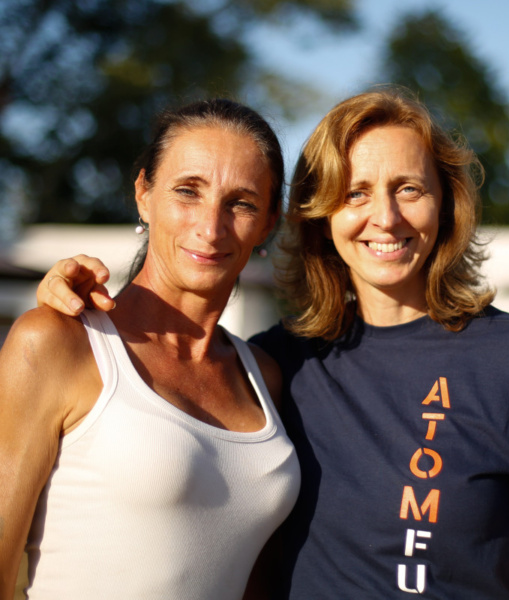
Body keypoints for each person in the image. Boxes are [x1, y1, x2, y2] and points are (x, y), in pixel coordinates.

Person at [35, 88, 509, 599]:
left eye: (409, 188)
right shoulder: (275, 365)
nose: (385, 217)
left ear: (445, 203)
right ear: (321, 214)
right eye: (355, 193)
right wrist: (72, 306)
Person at [0, 98, 300, 600]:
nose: (211, 227)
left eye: (242, 203)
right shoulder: (57, 343)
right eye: (188, 191)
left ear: (269, 222)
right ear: (144, 194)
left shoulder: (265, 377)